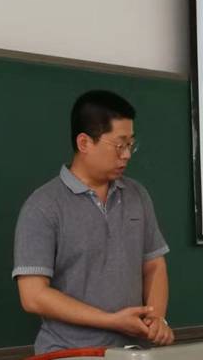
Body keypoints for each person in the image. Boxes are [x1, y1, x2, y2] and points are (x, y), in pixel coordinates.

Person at [12, 90, 173, 354]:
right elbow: (33, 296)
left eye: (131, 144)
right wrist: (111, 321)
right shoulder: (43, 206)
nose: (127, 155)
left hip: (134, 351)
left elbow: (154, 265)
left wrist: (157, 319)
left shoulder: (137, 195)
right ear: (84, 143)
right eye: (119, 145)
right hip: (70, 352)